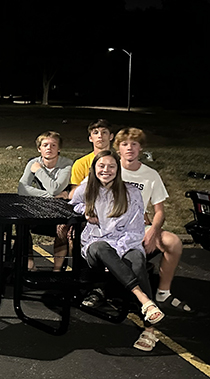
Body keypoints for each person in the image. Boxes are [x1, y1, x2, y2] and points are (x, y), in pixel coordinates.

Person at [70, 150, 165, 351]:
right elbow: (73, 203)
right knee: (102, 247)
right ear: (94, 168)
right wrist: (85, 211)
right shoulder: (87, 187)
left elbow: (136, 229)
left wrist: (118, 254)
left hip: (125, 242)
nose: (106, 170)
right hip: (95, 246)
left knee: (138, 262)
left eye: (111, 166)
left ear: (118, 169)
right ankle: (144, 299)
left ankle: (149, 329)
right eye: (101, 166)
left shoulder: (131, 192)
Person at [114, 127, 192, 313]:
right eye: (125, 144)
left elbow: (160, 211)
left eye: (134, 144)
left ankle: (163, 293)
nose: (130, 148)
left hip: (140, 227)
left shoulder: (150, 175)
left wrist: (153, 231)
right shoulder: (110, 169)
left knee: (173, 242)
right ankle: (100, 289)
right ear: (118, 149)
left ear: (141, 148)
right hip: (114, 228)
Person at [18, 131, 72, 271]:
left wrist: (39, 171)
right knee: (22, 224)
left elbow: (55, 188)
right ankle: (29, 263)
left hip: (60, 209)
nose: (49, 148)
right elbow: (22, 189)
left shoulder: (67, 164)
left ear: (59, 148)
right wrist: (49, 196)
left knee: (62, 228)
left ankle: (57, 270)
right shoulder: (33, 163)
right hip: (40, 206)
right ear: (39, 148)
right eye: (45, 145)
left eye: (53, 145)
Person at [70, 119, 114, 196]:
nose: (100, 136)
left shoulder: (119, 161)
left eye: (104, 132)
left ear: (111, 136)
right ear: (90, 138)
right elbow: (74, 194)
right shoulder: (81, 163)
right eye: (96, 133)